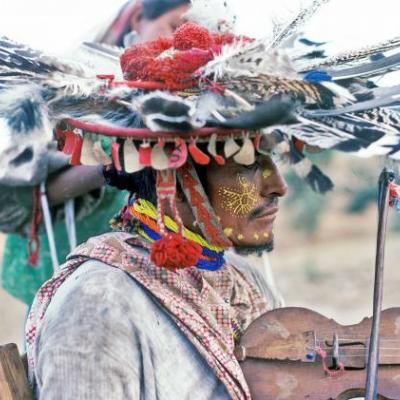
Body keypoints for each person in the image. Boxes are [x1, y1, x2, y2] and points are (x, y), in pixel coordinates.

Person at [0, 0, 191, 306]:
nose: (181, 45)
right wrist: (116, 164)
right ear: (139, 20)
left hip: (166, 271)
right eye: (174, 27)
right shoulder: (71, 92)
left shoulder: (196, 99)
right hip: (71, 274)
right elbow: (16, 199)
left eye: (194, 35)